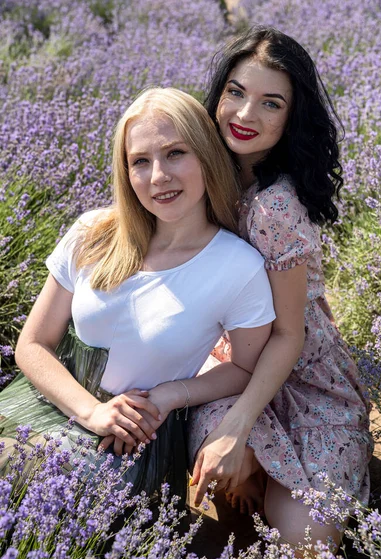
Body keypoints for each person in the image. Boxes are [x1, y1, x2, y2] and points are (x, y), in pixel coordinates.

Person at [0, 87, 276, 502]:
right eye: (140, 162)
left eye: (176, 153)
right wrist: (91, 411)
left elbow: (244, 367)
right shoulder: (93, 233)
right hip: (48, 404)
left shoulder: (238, 266)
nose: (158, 176)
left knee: (41, 494)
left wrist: (170, 395)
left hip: (130, 442)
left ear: (207, 155)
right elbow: (33, 344)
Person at [185, 26, 374, 549]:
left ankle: (265, 477)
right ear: (219, 94)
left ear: (291, 118)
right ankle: (254, 479)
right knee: (222, 474)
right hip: (233, 360)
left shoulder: (274, 209)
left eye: (271, 103)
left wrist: (239, 428)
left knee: (304, 540)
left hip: (306, 380)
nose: (246, 116)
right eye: (237, 93)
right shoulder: (210, 177)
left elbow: (290, 336)